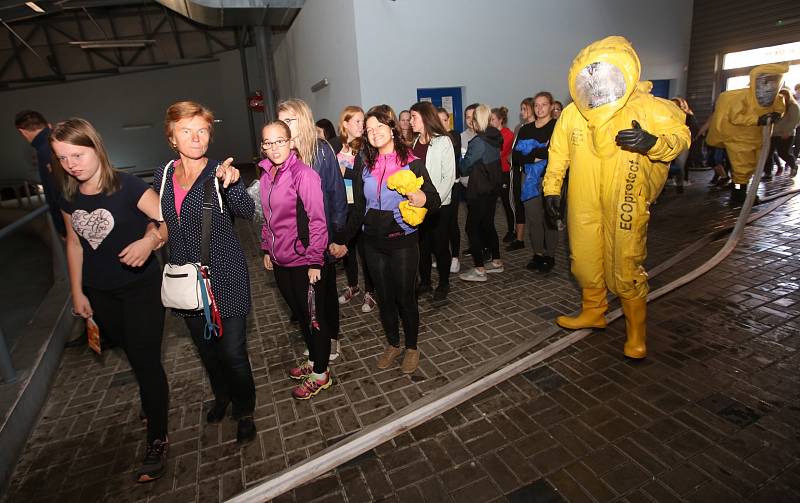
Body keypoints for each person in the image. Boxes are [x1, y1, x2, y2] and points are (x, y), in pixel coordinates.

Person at [542, 36, 690, 359]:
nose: (596, 88)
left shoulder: (646, 108)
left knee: (625, 262)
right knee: (582, 258)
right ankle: (593, 310)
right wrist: (552, 188)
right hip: (583, 196)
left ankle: (636, 334)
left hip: (625, 194)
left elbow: (680, 137)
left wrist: (651, 142)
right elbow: (558, 154)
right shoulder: (572, 115)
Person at [53, 118, 170, 481]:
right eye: (62, 157)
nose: (71, 163)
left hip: (140, 289)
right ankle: (151, 402)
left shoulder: (129, 186)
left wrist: (150, 241)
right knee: (130, 350)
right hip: (100, 292)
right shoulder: (68, 195)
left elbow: (169, 221)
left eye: (77, 153)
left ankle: (157, 439)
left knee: (147, 360)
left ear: (95, 147)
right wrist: (77, 291)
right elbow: (74, 243)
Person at [154, 101, 257, 443]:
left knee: (232, 353)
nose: (195, 137)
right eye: (186, 131)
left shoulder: (220, 172)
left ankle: (244, 410)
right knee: (208, 351)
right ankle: (222, 396)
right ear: (172, 137)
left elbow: (247, 211)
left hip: (226, 275)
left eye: (202, 130)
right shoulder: (165, 174)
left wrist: (233, 183)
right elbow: (164, 220)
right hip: (188, 281)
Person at [330, 105, 440, 374]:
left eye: (379, 127)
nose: (375, 133)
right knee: (385, 297)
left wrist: (421, 198)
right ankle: (393, 344)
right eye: (369, 130)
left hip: (402, 240)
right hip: (372, 242)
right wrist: (344, 240)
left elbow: (434, 199)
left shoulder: (411, 162)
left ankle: (411, 347)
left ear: (391, 128)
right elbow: (357, 208)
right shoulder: (363, 163)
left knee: (405, 298)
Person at [259, 120, 333, 399]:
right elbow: (268, 217)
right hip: (281, 261)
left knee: (315, 318)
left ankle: (322, 373)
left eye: (280, 141)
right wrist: (267, 248)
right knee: (302, 315)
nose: (274, 147)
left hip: (305, 261)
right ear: (263, 147)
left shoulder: (304, 174)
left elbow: (317, 220)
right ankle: (314, 360)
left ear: (291, 143)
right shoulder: (267, 175)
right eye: (268, 142)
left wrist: (315, 260)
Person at [277, 99, 348, 360]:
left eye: (289, 120)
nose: (283, 126)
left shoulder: (321, 152)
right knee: (304, 300)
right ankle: (317, 341)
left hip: (321, 237)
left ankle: (331, 339)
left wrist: (338, 236)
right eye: (280, 120)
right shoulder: (279, 153)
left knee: (325, 294)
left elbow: (337, 196)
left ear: (304, 121)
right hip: (292, 243)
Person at [706, 63, 788, 204]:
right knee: (741, 170)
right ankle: (738, 194)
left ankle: (741, 192)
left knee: (752, 168)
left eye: (774, 81)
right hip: (739, 139)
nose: (770, 86)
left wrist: (776, 115)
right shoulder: (741, 98)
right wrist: (757, 119)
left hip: (759, 138)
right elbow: (735, 116)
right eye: (767, 81)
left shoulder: (777, 100)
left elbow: (779, 110)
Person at [410, 101, 456, 302]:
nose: (411, 121)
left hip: (439, 206)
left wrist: (433, 201)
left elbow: (449, 177)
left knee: (440, 245)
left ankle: (444, 283)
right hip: (419, 205)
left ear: (425, 118)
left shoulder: (443, 142)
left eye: (414, 117)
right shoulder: (414, 142)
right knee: (422, 246)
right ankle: (426, 283)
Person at [335, 106, 377, 312]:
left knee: (365, 251)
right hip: (341, 206)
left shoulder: (366, 147)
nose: (362, 126)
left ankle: (371, 291)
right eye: (357, 122)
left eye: (363, 122)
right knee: (347, 250)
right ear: (345, 123)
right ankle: (353, 286)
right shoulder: (333, 145)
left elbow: (367, 176)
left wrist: (345, 171)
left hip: (362, 205)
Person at [459, 104, 504, 282]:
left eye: (473, 118)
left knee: (472, 228)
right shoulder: (494, 135)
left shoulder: (478, 142)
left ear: (478, 120)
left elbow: (465, 166)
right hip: (492, 188)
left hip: (479, 189)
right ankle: (497, 262)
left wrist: (462, 159)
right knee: (488, 224)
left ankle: (479, 269)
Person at [514, 92, 558, 273]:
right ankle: (538, 253)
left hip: (551, 178)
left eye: (544, 105)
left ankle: (550, 255)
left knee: (550, 217)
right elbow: (516, 156)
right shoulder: (526, 129)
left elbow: (555, 153)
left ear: (551, 106)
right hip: (529, 180)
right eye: (537, 105)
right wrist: (537, 154)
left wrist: (531, 153)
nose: (540, 109)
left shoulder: (557, 127)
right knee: (534, 219)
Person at [15, 110, 66, 237]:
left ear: (22, 131)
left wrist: (62, 229)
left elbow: (56, 193)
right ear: (47, 124)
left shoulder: (44, 150)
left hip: (70, 222)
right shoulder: (59, 139)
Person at [507, 97, 536, 250]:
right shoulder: (519, 127)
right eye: (521, 109)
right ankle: (519, 238)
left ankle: (539, 239)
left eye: (525, 109)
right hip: (517, 169)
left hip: (530, 170)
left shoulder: (537, 127)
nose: (522, 112)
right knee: (517, 202)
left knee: (532, 206)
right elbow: (515, 148)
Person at [438, 107, 462, 274]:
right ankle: (442, 256)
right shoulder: (433, 138)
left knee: (452, 222)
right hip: (437, 187)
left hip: (453, 185)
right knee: (440, 224)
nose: (443, 123)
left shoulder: (453, 135)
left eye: (445, 120)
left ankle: (455, 257)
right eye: (439, 120)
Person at [491, 107, 515, 243]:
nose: (491, 122)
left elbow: (498, 153)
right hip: (494, 172)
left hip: (504, 172)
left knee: (507, 203)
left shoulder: (507, 134)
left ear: (501, 120)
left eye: (493, 119)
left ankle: (512, 230)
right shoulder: (491, 134)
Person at [763, 88, 799, 178]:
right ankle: (768, 172)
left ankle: (793, 166)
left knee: (783, 153)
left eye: (783, 96)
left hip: (786, 134)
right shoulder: (778, 106)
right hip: (774, 133)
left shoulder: (793, 106)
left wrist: (787, 131)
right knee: (768, 152)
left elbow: (794, 120)